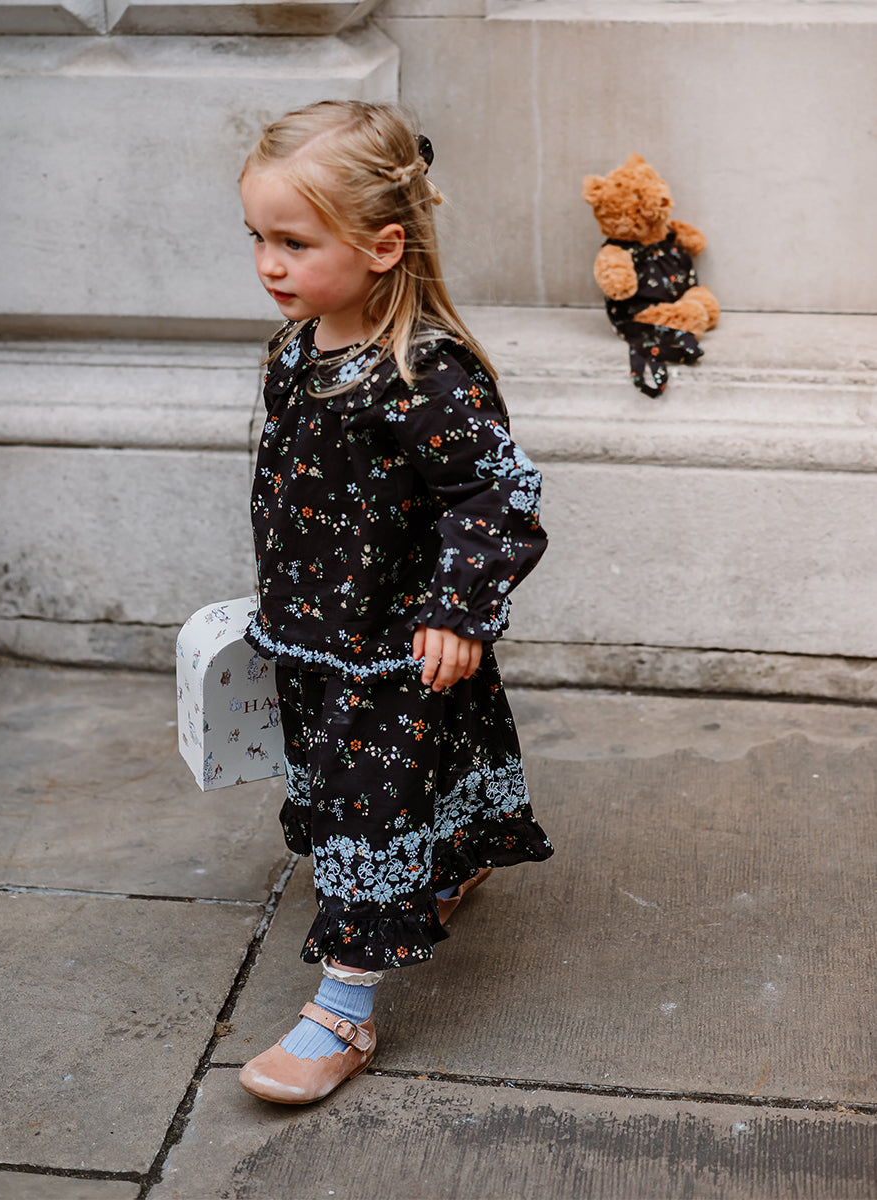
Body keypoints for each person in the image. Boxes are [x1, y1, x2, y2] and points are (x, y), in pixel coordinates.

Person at [236, 100, 553, 1106]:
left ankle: (343, 1010)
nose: (269, 264)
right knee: (402, 776)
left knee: (366, 812)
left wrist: (457, 610)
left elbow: (496, 493)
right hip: (320, 632)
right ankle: (447, 864)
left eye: (295, 242)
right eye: (257, 238)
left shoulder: (423, 374)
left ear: (381, 246)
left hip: (394, 645)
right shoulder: (299, 348)